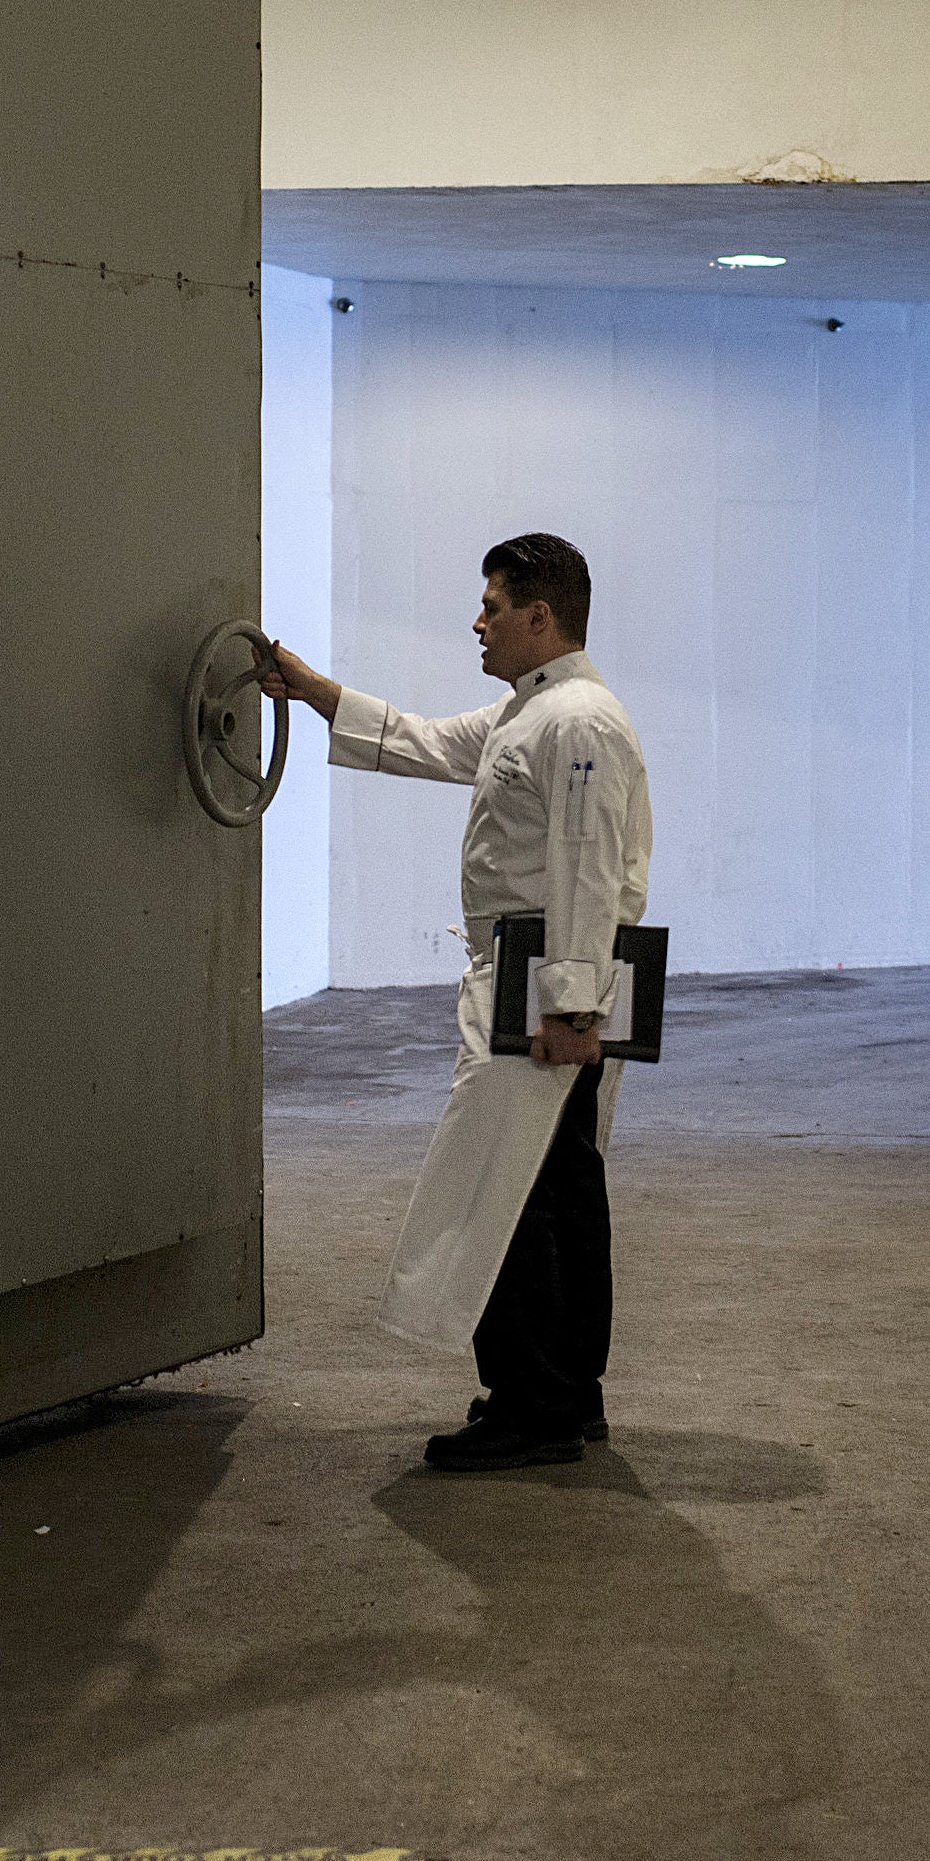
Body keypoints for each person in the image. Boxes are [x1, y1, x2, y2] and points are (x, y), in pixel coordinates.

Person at [258, 533, 651, 1473]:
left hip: (547, 977)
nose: (476, 622)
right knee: (556, 1187)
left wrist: (573, 1008)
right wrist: (314, 690)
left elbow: (592, 873)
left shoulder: (581, 723)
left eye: (491, 605)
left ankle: (536, 1406)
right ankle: (564, 1391)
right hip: (540, 973)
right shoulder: (532, 714)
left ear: (539, 616)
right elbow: (427, 741)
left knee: (506, 1193)